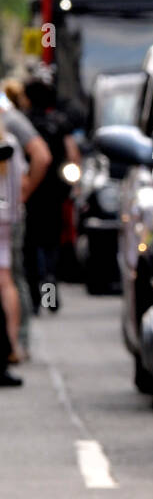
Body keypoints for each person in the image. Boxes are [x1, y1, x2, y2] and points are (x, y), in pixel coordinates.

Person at [1, 83, 50, 355]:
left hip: (9, 213)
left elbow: (42, 155)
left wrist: (24, 192)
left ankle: (17, 342)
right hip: (9, 212)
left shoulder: (12, 122)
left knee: (13, 275)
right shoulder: (12, 122)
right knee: (11, 275)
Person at [21, 78, 77, 314]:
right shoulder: (58, 122)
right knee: (51, 245)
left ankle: (35, 297)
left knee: (31, 246)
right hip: (54, 193)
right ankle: (49, 294)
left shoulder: (25, 123)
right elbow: (72, 155)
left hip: (30, 192)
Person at [0, 121, 29, 386]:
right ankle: (11, 347)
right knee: (6, 280)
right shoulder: (10, 143)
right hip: (7, 219)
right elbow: (21, 183)